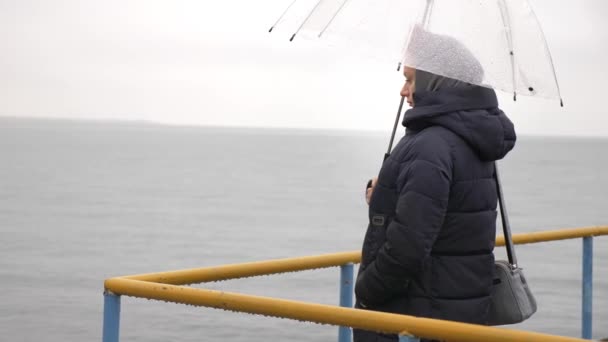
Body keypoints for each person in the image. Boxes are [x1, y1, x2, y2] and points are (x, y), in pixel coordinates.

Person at [353, 60, 517, 341]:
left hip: (415, 316)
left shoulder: (430, 145)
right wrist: (385, 191)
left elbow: (409, 245)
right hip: (459, 308)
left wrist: (367, 291)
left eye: (410, 80)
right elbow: (451, 209)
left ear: (434, 83)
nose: (403, 91)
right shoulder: (467, 137)